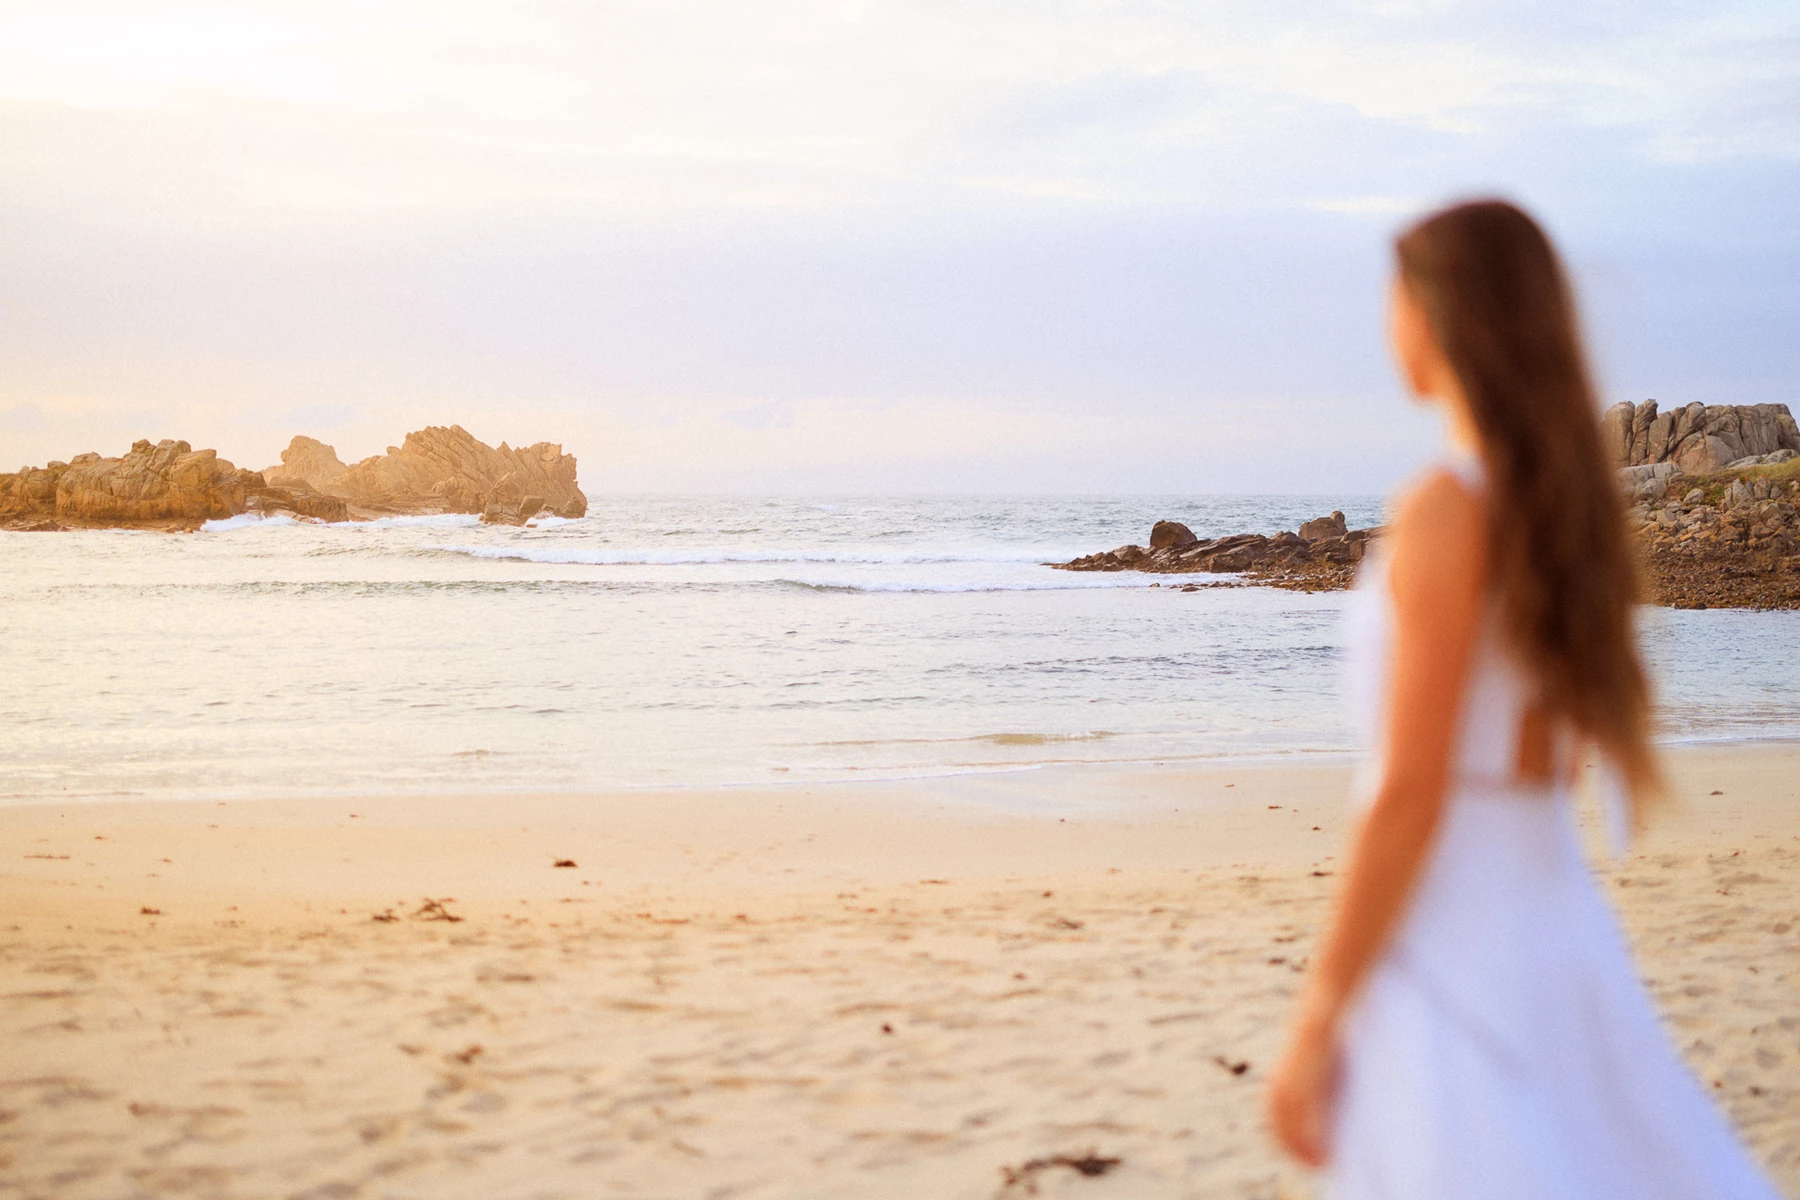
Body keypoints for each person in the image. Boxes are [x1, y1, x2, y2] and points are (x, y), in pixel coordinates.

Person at [1263, 199, 1780, 1198]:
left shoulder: (1449, 508)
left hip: (1457, 931)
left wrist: (1320, 1014)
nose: (1386, 324)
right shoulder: (1557, 512)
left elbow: (1411, 792)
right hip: (1554, 920)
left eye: (1394, 298)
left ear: (1439, 314)